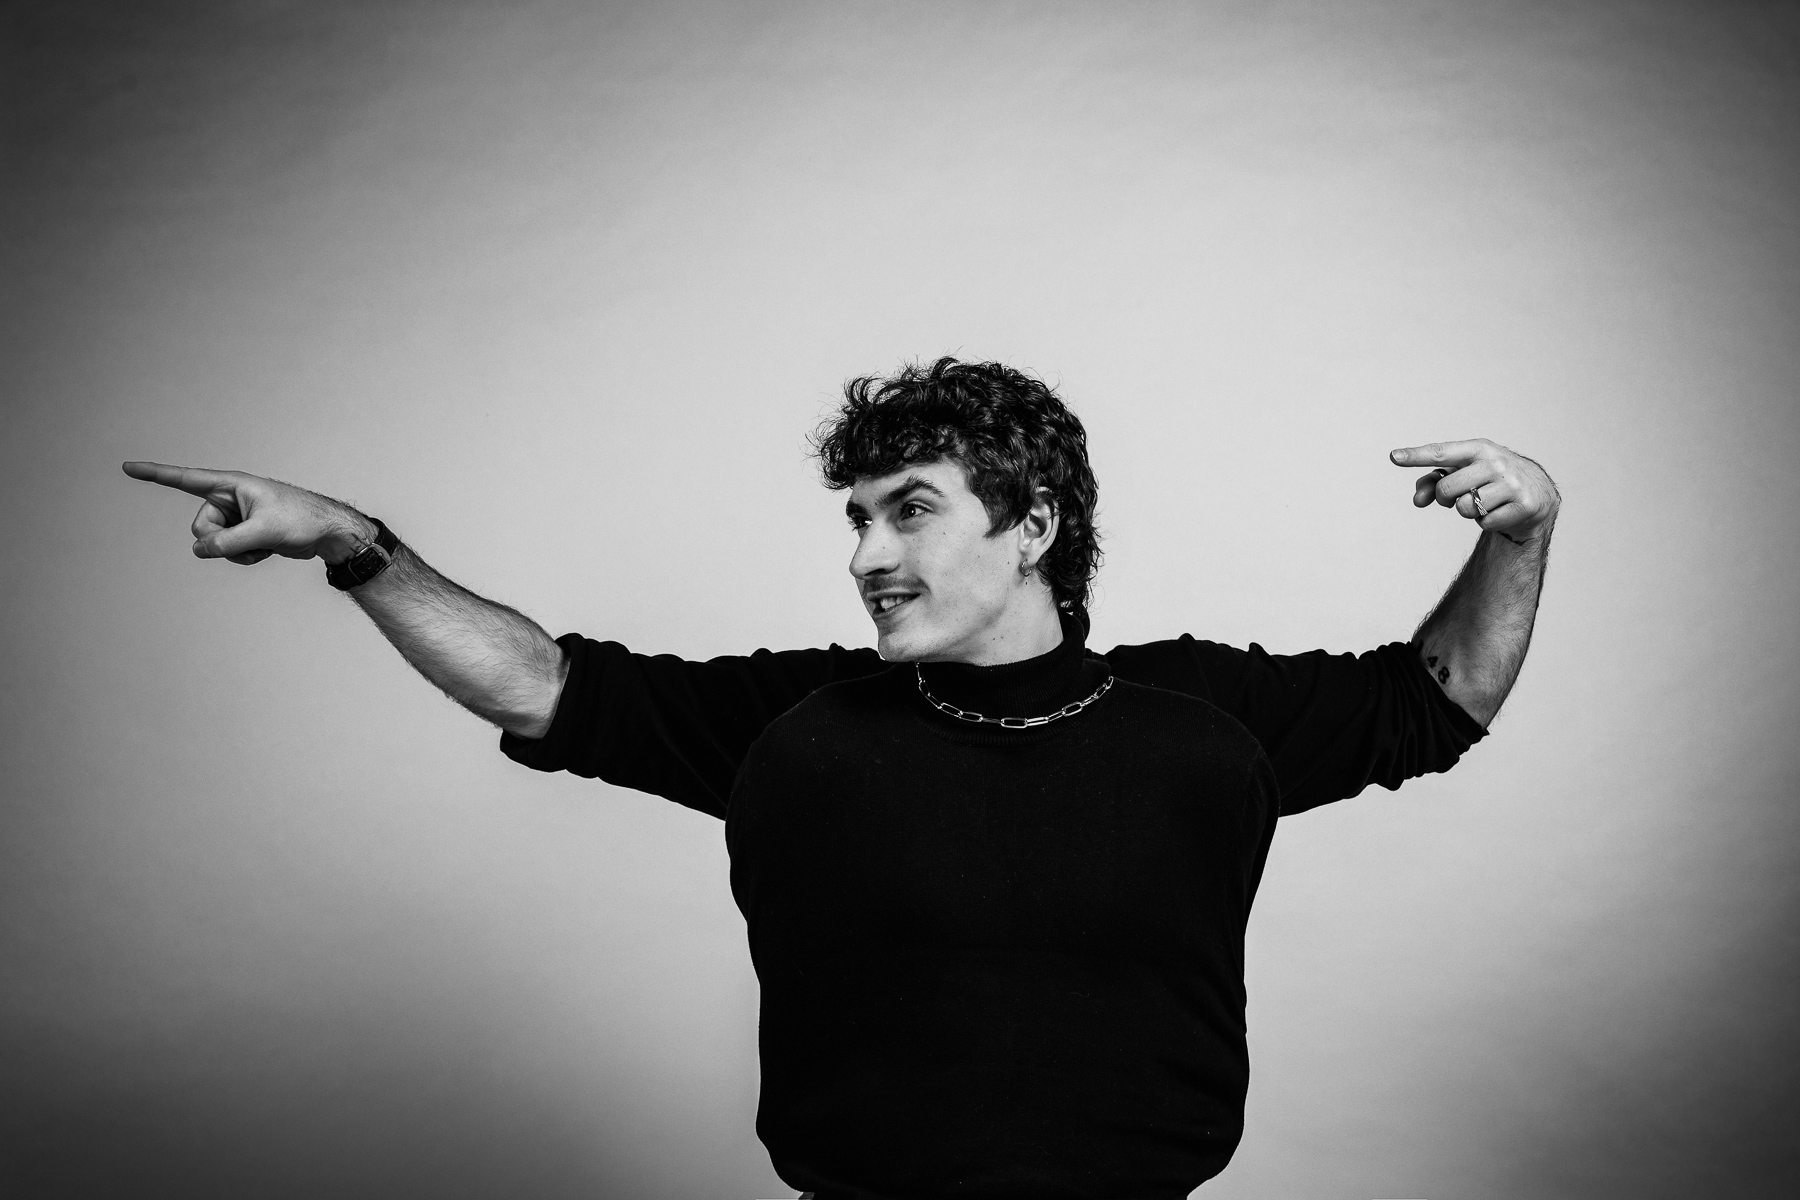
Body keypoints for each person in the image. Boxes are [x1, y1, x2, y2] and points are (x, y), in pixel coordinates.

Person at [125, 357, 1560, 1200]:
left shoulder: (1200, 718)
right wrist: (358, 547)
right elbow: (545, 684)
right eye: (858, 520)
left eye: (910, 512)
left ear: (1033, 525)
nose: (868, 555)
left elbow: (1437, 701)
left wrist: (1519, 532)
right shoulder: (804, 721)